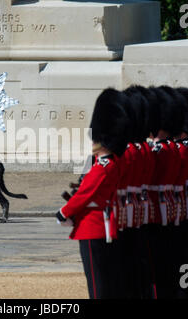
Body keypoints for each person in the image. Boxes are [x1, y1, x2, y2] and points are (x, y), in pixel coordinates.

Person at [55, 88, 130, 299]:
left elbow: (84, 195)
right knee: (106, 279)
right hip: (103, 223)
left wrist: (63, 212)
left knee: (97, 283)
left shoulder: (101, 167)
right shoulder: (113, 164)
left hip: (92, 226)